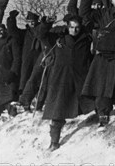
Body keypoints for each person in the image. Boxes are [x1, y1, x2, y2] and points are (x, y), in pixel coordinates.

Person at [38, 15, 94, 150]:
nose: (74, 30)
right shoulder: (59, 39)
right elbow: (41, 35)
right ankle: (54, 142)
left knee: (91, 102)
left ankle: (101, 122)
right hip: (62, 79)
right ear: (67, 27)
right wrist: (47, 23)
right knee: (58, 110)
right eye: (71, 27)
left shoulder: (86, 40)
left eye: (77, 28)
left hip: (80, 78)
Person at [0, 23, 21, 122]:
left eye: (1, 30)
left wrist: (13, 72)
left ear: (5, 30)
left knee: (9, 98)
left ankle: (14, 120)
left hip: (8, 74)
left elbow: (17, 58)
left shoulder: (12, 41)